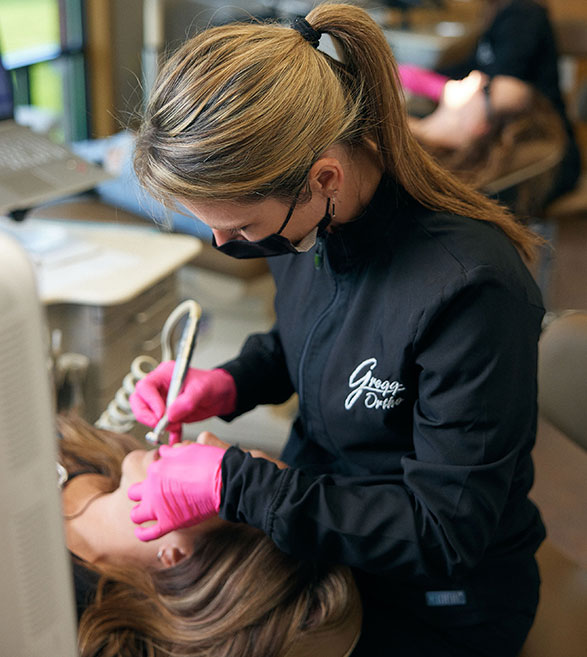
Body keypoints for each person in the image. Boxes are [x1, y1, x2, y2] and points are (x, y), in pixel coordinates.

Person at [129, 4, 546, 656]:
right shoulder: (313, 227)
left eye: (239, 228)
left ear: (323, 178)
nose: (223, 241)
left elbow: (443, 533)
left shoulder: (469, 291)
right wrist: (228, 383)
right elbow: (313, 338)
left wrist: (236, 483)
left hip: (440, 597)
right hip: (327, 528)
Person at [57, 414, 362, 657]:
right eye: (236, 457)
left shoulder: (54, 605)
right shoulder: (96, 452)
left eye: (225, 476)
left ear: (177, 557)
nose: (205, 440)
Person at [407, 70, 567, 216]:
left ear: (481, 127)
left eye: (486, 89)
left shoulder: (406, 163)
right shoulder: (407, 127)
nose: (477, 75)